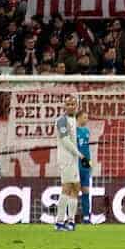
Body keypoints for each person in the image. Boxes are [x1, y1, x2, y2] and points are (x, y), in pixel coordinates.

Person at [53, 95, 84, 231]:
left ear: (76, 105)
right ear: (64, 106)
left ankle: (71, 221)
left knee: (76, 188)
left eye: (73, 104)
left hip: (74, 159)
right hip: (66, 159)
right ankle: (59, 222)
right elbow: (65, 141)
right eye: (68, 104)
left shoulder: (74, 121)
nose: (71, 106)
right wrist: (79, 154)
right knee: (67, 187)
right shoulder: (61, 120)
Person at [76, 110, 94, 224]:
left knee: (86, 190)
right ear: (78, 118)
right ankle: (70, 217)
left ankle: (86, 218)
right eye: (85, 117)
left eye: (87, 117)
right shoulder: (72, 131)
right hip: (75, 162)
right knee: (73, 191)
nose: (86, 120)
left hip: (85, 163)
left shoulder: (87, 131)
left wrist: (90, 164)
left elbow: (87, 149)